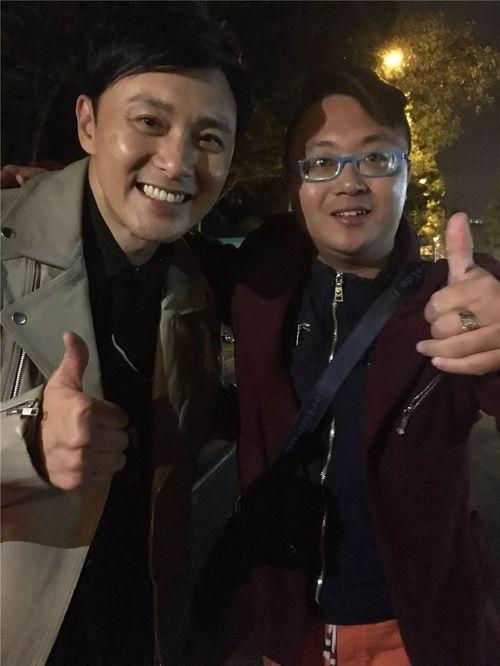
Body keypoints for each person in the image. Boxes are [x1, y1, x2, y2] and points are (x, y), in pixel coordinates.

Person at [220, 68, 500, 666]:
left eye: (376, 158)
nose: (348, 183)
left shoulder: (455, 296)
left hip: (417, 635)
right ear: (293, 186)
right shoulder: (259, 285)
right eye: (322, 162)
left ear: (405, 172)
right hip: (286, 633)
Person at [0, 5, 250, 665]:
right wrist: (24, 446)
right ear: (87, 123)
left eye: (209, 137)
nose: (177, 161)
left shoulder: (197, 284)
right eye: (149, 122)